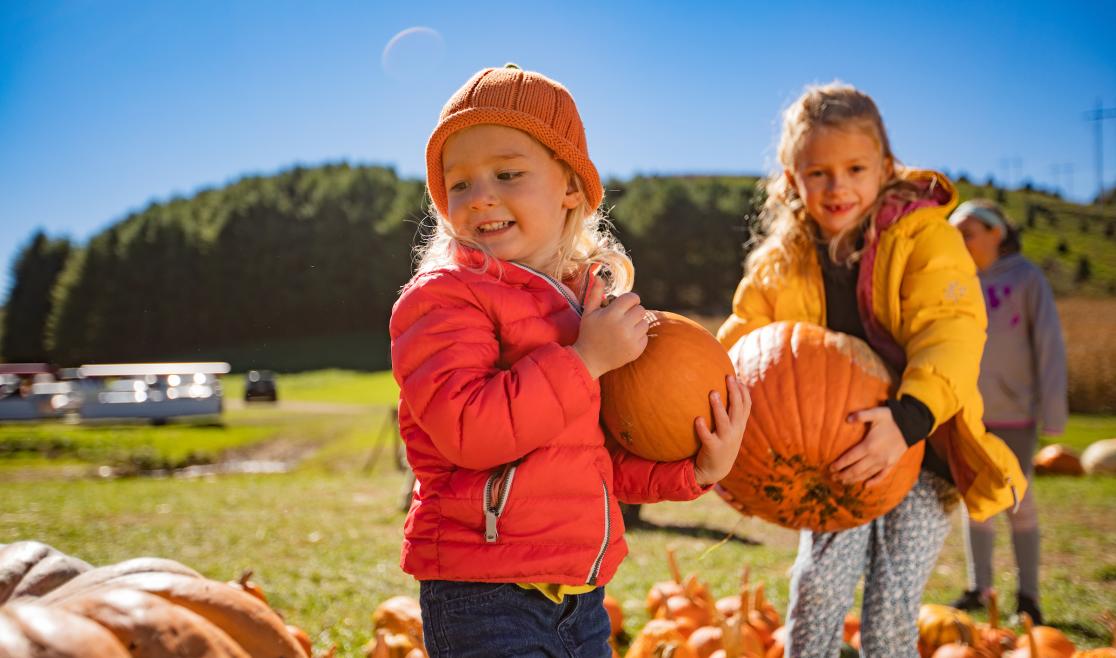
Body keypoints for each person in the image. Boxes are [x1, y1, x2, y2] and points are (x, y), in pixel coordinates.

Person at [389, 64, 750, 658]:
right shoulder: (443, 298)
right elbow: (468, 431)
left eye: (507, 173)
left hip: (583, 600)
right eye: (459, 184)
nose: (481, 196)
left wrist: (697, 471)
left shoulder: (583, 306)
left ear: (571, 190)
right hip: (483, 595)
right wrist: (583, 361)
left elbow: (595, 460)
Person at [716, 83, 1027, 658]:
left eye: (855, 168)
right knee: (815, 593)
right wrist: (706, 402)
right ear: (791, 177)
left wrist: (910, 417)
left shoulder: (925, 237)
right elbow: (742, 341)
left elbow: (951, 328)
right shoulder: (782, 262)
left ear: (885, 168)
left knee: (890, 609)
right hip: (831, 457)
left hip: (922, 444)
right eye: (818, 173)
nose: (838, 187)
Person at [947, 199, 1067, 625]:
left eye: (968, 232)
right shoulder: (957, 281)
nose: (960, 242)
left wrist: (1053, 413)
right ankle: (980, 587)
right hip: (967, 416)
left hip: (1014, 412)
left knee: (1019, 501)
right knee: (974, 502)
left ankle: (1028, 597)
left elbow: (1049, 347)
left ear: (996, 232)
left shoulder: (1026, 279)